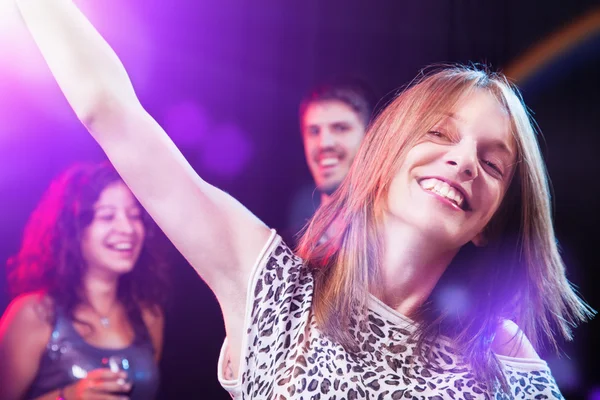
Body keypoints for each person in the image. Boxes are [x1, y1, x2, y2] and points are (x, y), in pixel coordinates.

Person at [14, 0, 594, 398]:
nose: (465, 160)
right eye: (439, 134)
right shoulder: (270, 288)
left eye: (492, 162)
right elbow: (109, 112)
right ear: (384, 155)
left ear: (488, 223)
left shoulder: (498, 355)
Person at [0, 163, 169, 400]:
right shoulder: (35, 313)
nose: (127, 228)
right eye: (107, 216)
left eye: (134, 216)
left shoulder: (149, 315)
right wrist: (66, 397)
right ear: (73, 229)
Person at [285, 79, 376, 244]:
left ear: (371, 137)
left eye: (340, 128)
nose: (324, 143)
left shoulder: (396, 240)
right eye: (314, 131)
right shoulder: (290, 246)